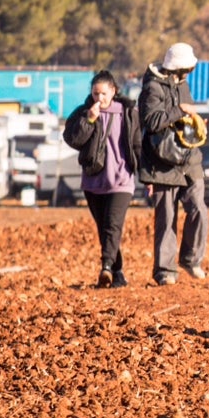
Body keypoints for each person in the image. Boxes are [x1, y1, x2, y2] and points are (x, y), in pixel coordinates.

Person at [138, 42, 208, 285]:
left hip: (189, 159)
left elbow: (185, 115)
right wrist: (180, 110)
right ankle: (165, 271)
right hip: (162, 162)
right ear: (177, 68)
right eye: (187, 68)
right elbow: (152, 121)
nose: (189, 72)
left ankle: (190, 259)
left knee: (198, 208)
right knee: (166, 219)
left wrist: (194, 122)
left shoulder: (183, 84)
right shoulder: (152, 88)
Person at [63, 68, 139, 288]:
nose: (100, 98)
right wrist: (89, 120)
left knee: (112, 226)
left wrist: (145, 175)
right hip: (93, 182)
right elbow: (73, 140)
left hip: (122, 180)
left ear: (113, 91)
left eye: (104, 93)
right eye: (96, 94)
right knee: (104, 228)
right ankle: (118, 272)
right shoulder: (83, 112)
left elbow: (136, 144)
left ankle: (106, 267)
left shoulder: (127, 112)